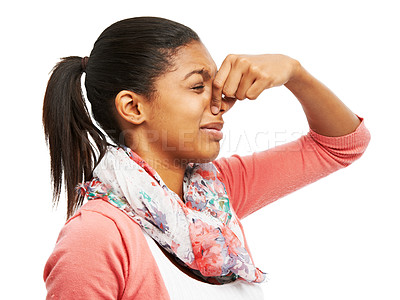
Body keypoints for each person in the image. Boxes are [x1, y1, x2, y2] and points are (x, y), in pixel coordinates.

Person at [42, 16, 371, 299]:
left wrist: (295, 73)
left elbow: (342, 144)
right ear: (133, 107)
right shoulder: (97, 237)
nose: (221, 103)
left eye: (217, 87)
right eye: (198, 87)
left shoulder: (216, 196)